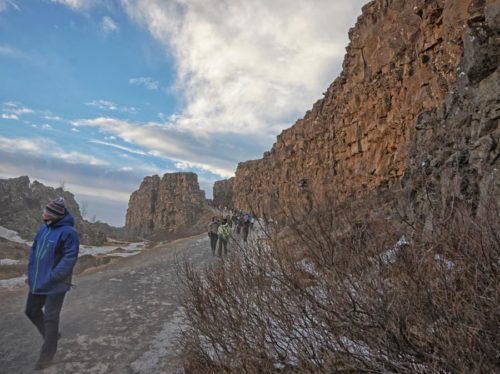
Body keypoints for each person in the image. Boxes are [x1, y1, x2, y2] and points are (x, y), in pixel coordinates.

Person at [25, 197, 79, 370]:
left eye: (47, 211)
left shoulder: (68, 232)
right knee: (31, 310)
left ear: (55, 215)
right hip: (38, 280)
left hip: (56, 283)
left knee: (50, 317)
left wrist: (55, 275)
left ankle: (47, 355)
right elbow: (34, 249)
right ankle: (52, 336)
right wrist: (31, 271)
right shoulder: (43, 228)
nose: (44, 213)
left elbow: (70, 257)